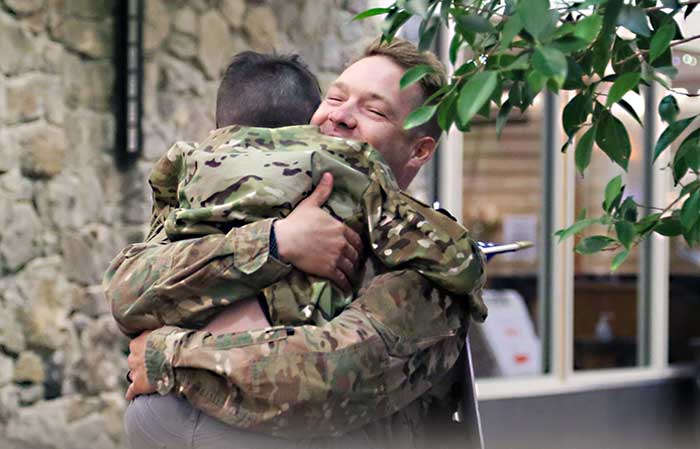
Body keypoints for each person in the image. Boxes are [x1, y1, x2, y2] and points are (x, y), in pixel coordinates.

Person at [104, 39, 486, 448]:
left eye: (375, 111)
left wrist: (169, 358)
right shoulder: (244, 204)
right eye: (336, 97)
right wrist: (273, 243)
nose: (340, 117)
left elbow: (334, 375)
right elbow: (130, 290)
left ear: (419, 150)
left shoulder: (426, 261)